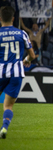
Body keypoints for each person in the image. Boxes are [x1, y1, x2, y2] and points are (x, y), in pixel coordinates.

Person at [0, 6, 35, 139]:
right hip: (16, 73)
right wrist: (26, 60)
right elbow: (32, 55)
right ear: (13, 19)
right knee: (8, 105)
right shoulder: (21, 33)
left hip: (0, 72)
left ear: (0, 18)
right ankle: (4, 127)